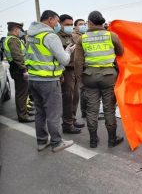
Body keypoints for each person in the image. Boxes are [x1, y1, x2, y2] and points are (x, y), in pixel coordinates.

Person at [25, 10, 75, 152]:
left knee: (40, 112)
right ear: (49, 19)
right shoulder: (50, 36)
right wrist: (69, 51)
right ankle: (57, 142)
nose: (57, 24)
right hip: (48, 80)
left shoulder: (30, 35)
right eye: (56, 21)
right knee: (53, 113)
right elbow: (64, 60)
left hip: (33, 79)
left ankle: (42, 141)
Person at [74, 11, 124, 148]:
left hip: (89, 77)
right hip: (109, 77)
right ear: (102, 22)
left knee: (92, 110)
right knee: (109, 109)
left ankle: (93, 140)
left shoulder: (82, 39)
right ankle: (112, 139)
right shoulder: (111, 36)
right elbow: (121, 52)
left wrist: (80, 81)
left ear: (89, 22)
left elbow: (77, 62)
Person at [58, 14, 84, 134]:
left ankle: (72, 119)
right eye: (66, 25)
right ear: (60, 24)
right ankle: (67, 124)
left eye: (70, 25)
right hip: (66, 70)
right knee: (68, 98)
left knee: (75, 97)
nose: (69, 27)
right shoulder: (57, 37)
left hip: (75, 69)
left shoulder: (72, 36)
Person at [3, 22, 34, 123]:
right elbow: (17, 56)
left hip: (17, 68)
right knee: (21, 93)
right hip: (18, 69)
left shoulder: (12, 39)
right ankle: (23, 116)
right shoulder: (13, 40)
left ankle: (24, 112)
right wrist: (24, 70)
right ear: (16, 29)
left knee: (23, 93)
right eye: (20, 29)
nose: (21, 32)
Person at [72, 18, 88, 118]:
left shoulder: (83, 36)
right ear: (76, 26)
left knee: (84, 90)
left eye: (84, 24)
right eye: (81, 24)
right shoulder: (75, 36)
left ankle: (85, 112)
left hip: (84, 65)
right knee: (82, 90)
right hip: (77, 66)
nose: (83, 26)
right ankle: (84, 112)